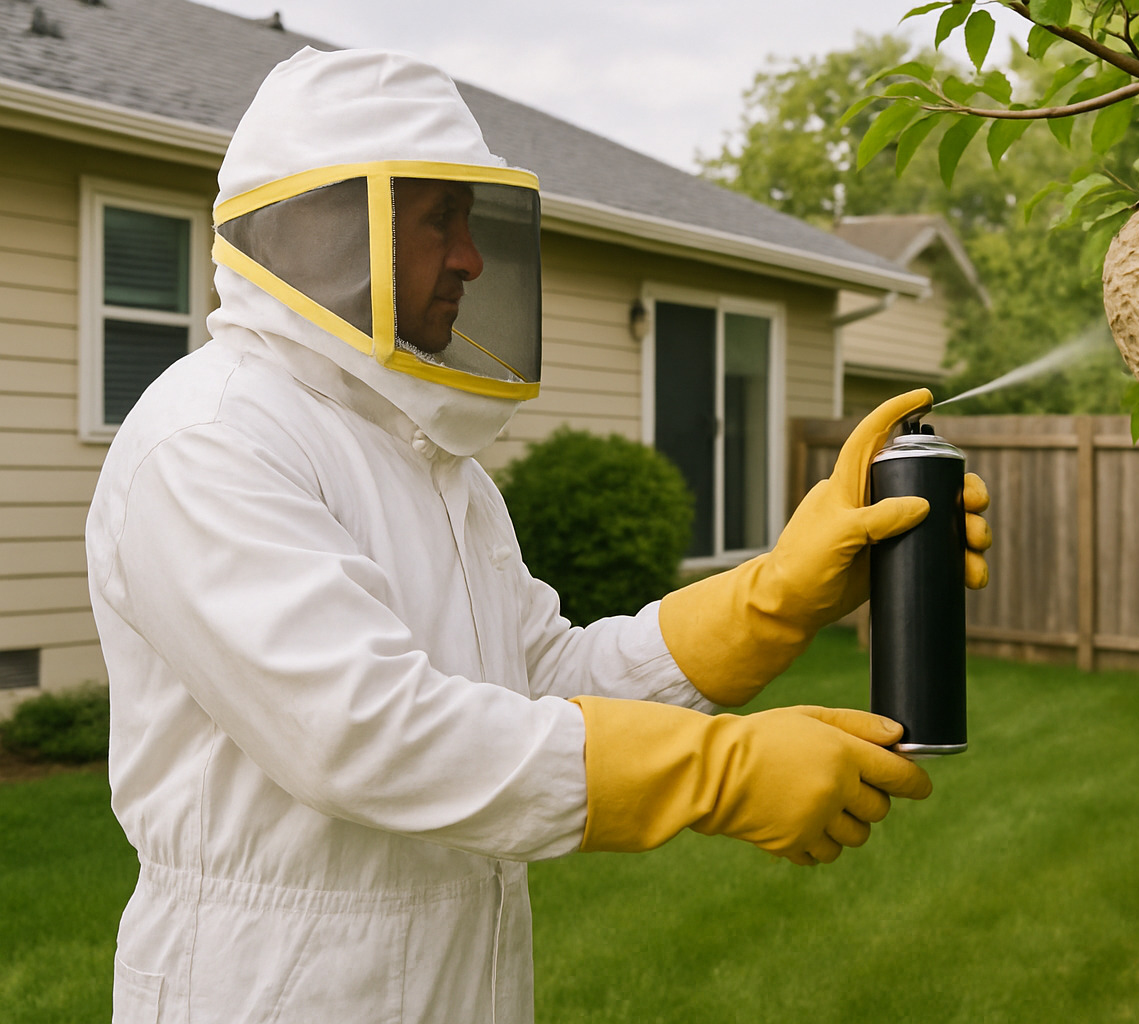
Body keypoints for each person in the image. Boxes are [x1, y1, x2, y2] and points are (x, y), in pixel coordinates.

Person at [85, 47, 992, 1024]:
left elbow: (541, 684)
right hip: (270, 990)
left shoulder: (431, 461)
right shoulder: (213, 436)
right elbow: (365, 732)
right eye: (442, 219)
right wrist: (715, 771)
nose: (473, 258)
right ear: (327, 228)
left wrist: (774, 597)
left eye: (473, 221)